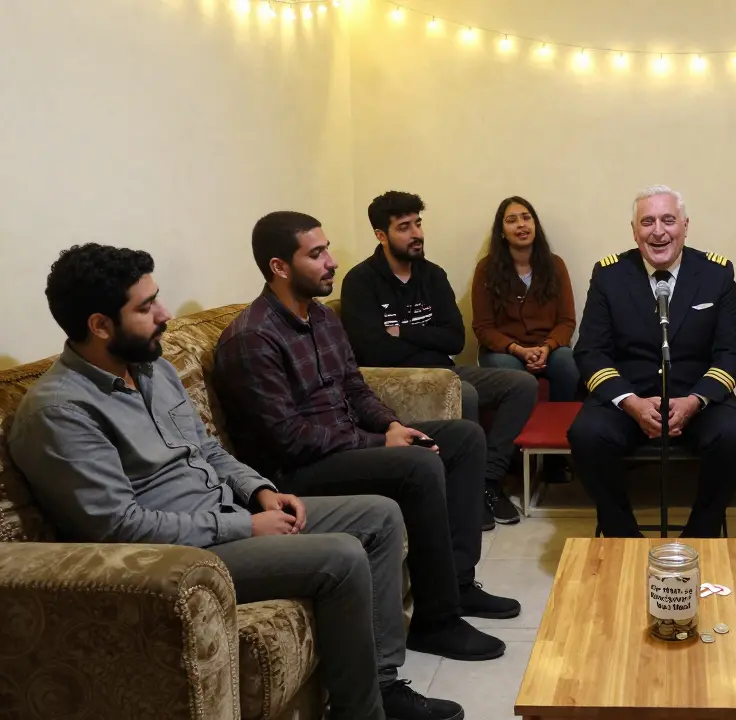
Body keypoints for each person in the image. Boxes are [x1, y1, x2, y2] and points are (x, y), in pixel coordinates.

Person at [8, 244, 462, 720]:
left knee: (380, 516)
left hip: (231, 509)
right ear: (100, 325)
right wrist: (246, 527)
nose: (165, 314)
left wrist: (260, 491)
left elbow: (206, 449)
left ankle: (384, 684)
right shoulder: (60, 412)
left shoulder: (152, 367)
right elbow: (118, 527)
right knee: (342, 557)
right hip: (181, 556)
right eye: (146, 307)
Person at [212, 211, 518, 664]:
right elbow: (286, 437)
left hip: (344, 445)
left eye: (327, 249)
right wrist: (377, 445)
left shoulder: (321, 317)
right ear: (280, 267)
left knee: (465, 438)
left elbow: (355, 388)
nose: (332, 261)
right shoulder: (253, 338)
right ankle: (436, 622)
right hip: (295, 471)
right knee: (417, 465)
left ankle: (459, 583)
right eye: (317, 254)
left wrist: (390, 425)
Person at [567, 185, 736, 537]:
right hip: (629, 396)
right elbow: (591, 350)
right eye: (647, 222)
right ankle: (623, 537)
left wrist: (695, 401)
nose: (658, 231)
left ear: (685, 225)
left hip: (695, 396)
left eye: (668, 220)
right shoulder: (609, 274)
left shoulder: (716, 273)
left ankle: (700, 535)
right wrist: (631, 402)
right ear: (634, 231)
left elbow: (733, 351)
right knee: (586, 435)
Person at [341, 191, 537, 526]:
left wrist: (401, 331)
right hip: (396, 380)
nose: (416, 233)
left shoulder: (432, 275)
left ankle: (487, 480)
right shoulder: (361, 281)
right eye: (404, 227)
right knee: (466, 393)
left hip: (444, 371)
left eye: (418, 224)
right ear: (381, 235)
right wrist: (428, 343)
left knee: (522, 384)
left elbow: (455, 338)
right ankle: (467, 493)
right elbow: (371, 350)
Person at [470, 196, 579, 483]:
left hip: (549, 348)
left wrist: (546, 348)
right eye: (512, 220)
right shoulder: (486, 270)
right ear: (501, 231)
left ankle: (556, 456)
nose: (521, 225)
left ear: (535, 224)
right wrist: (517, 349)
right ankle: (513, 458)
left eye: (526, 217)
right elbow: (483, 327)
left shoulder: (555, 265)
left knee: (568, 362)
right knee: (514, 375)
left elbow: (567, 321)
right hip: (503, 350)